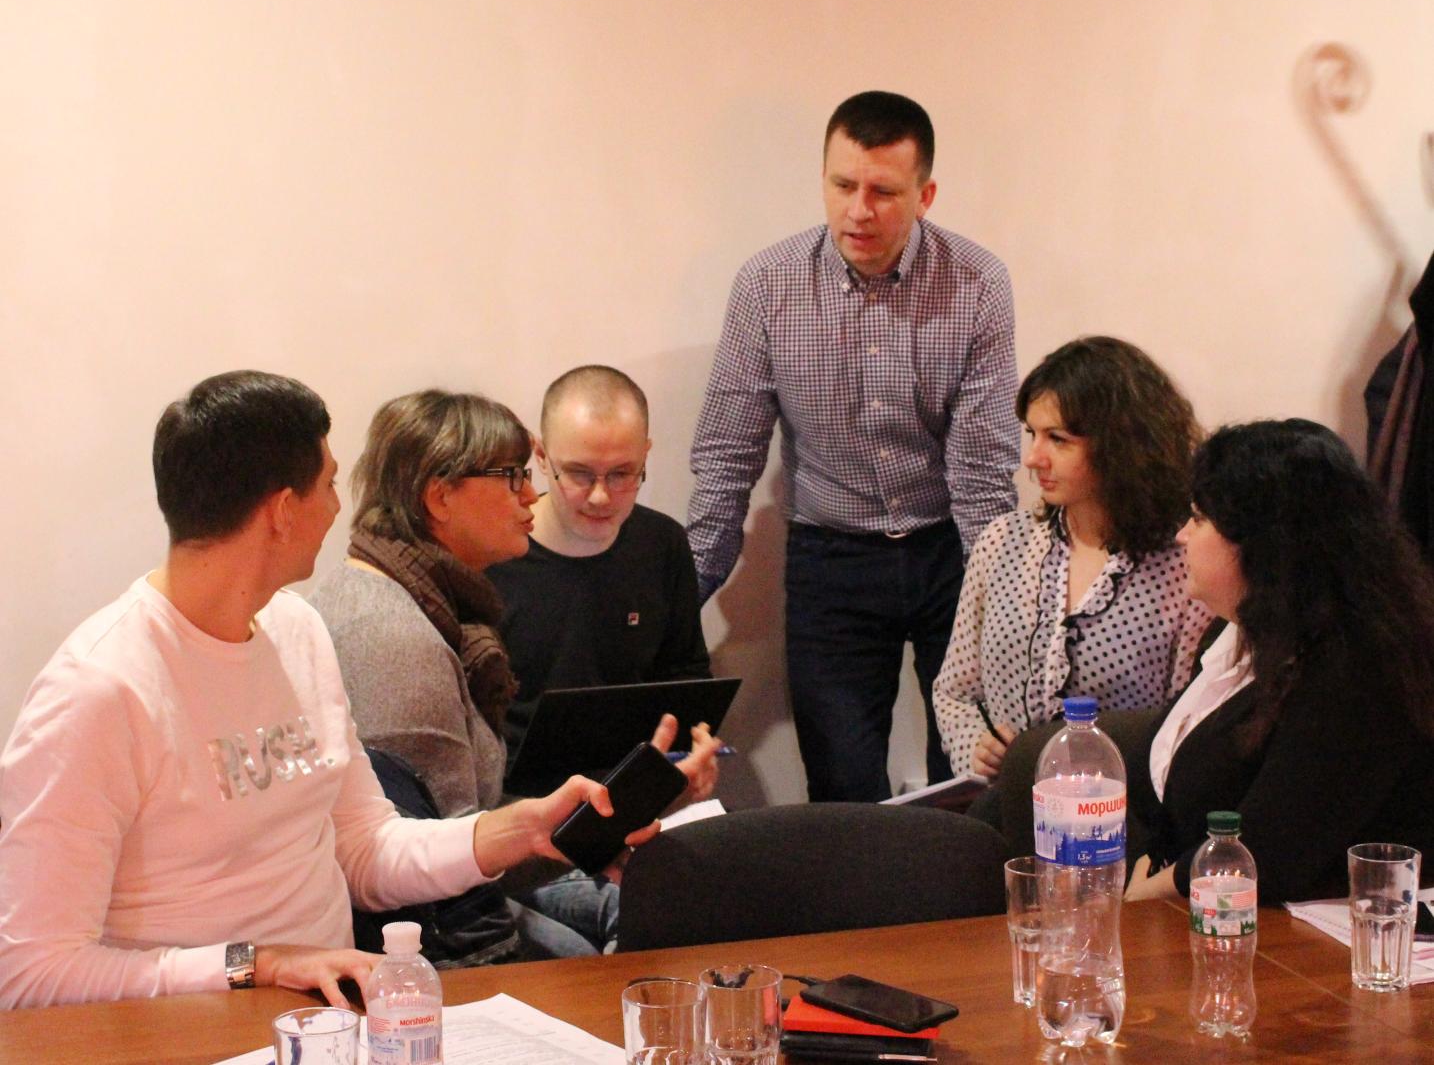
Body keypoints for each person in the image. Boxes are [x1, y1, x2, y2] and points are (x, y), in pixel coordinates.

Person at [0, 371, 666, 1010]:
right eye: (328, 483)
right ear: (282, 511)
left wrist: (519, 830)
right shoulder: (98, 690)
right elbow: (30, 974)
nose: (339, 506)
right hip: (186, 1034)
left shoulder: (298, 631)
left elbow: (367, 850)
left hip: (332, 1020)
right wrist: (258, 965)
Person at [687, 90, 1019, 802]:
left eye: (883, 192)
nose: (858, 211)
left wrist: (999, 604)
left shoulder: (978, 283)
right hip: (829, 556)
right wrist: (682, 600)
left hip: (949, 551)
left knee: (971, 781)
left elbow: (983, 470)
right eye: (842, 186)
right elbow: (727, 456)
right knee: (842, 788)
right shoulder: (767, 285)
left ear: (925, 195)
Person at [309, 389, 719, 958]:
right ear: (440, 496)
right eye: (512, 477)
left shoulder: (413, 595)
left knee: (678, 899)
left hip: (469, 895)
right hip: (435, 939)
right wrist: (629, 810)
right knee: (649, 938)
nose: (530, 494)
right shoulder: (395, 640)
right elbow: (448, 874)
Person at [1126, 420, 1434, 904]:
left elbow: (1265, 855)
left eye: (1199, 519)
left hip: (1307, 933)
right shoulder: (1235, 633)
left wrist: (1142, 899)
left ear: (1264, 545)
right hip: (1200, 914)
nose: (1182, 535)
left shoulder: (1359, 673)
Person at [932, 337, 1212, 789]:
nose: (1033, 458)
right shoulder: (1002, 541)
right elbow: (954, 692)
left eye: (1058, 439)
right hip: (1006, 805)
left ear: (1120, 445)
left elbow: (1185, 726)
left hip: (1119, 811)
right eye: (1032, 434)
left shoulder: (1181, 565)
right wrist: (976, 747)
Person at [487, 365, 711, 750]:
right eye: (580, 474)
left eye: (622, 474)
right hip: (517, 782)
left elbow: (685, 676)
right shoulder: (493, 554)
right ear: (541, 456)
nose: (601, 497)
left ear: (645, 455)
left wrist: (693, 745)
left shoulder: (663, 543)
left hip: (634, 772)